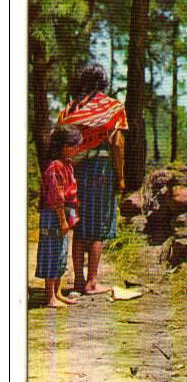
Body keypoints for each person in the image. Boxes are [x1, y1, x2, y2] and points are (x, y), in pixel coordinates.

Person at [58, 63, 128, 295]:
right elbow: (117, 144)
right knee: (98, 226)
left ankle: (78, 280)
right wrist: (120, 178)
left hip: (75, 171)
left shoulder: (70, 109)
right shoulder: (112, 108)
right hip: (101, 170)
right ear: (104, 83)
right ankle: (92, 282)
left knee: (79, 225)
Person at [36, 125, 83, 308]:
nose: (77, 149)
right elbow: (56, 197)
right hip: (55, 214)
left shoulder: (67, 164)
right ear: (64, 146)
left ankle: (57, 292)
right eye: (74, 146)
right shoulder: (55, 166)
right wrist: (63, 220)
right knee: (52, 252)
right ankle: (49, 296)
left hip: (63, 214)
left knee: (61, 253)